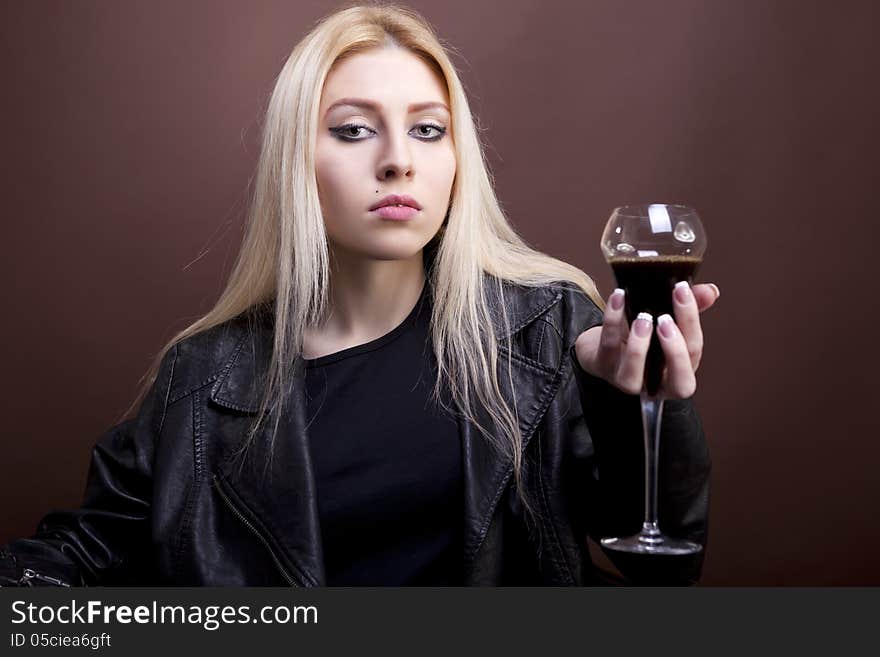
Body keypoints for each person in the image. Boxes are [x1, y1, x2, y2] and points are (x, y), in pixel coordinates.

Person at [0, 3, 719, 587]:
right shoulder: (201, 378)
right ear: (296, 163)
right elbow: (79, 559)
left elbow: (664, 565)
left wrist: (637, 406)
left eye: (428, 131)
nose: (399, 160)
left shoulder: (554, 327)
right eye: (353, 130)